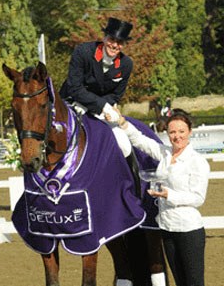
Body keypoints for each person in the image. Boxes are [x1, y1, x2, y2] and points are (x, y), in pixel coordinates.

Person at [107, 107, 210, 286]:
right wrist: (121, 121)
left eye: (181, 131)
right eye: (172, 132)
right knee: (179, 280)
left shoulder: (197, 161)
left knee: (194, 282)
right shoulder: (164, 153)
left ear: (190, 132)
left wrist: (169, 195)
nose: (177, 136)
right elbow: (139, 140)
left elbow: (198, 198)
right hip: (168, 228)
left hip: (189, 230)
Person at [60, 17, 141, 197]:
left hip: (100, 109)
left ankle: (135, 189)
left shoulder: (126, 64)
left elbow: (116, 94)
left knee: (124, 144)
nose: (115, 45)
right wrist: (100, 105)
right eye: (112, 40)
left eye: (120, 42)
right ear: (104, 38)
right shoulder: (83, 51)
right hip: (72, 102)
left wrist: (105, 108)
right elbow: (75, 86)